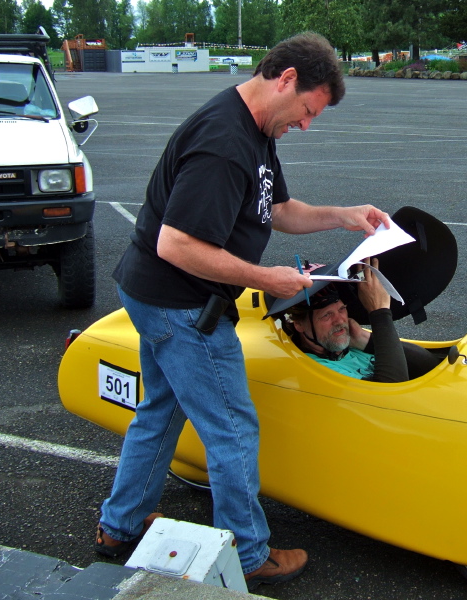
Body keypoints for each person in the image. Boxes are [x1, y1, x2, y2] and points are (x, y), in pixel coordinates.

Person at [95, 31, 390, 592]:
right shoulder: (223, 142)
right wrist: (265, 278)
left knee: (161, 409)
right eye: (307, 109)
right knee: (231, 428)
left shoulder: (257, 131)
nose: (306, 124)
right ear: (285, 81)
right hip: (180, 303)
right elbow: (175, 244)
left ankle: (121, 525)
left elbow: (277, 209)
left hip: (162, 295)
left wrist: (345, 216)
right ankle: (249, 553)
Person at [283, 258, 442, 382]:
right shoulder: (315, 370)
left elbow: (429, 366)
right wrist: (380, 312)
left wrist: (364, 340)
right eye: (327, 315)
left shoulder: (351, 344)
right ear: (298, 324)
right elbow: (389, 395)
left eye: (342, 309)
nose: (339, 320)